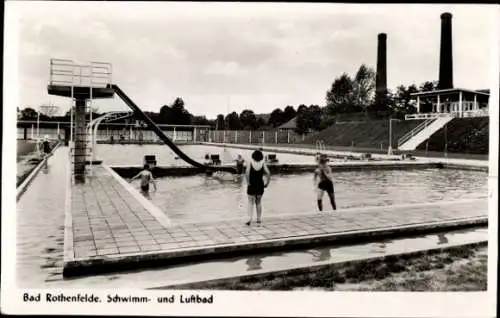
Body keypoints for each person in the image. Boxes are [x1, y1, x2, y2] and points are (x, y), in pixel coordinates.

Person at [245, 150, 270, 226]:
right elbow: (268, 173)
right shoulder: (263, 163)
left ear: (253, 156)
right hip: (260, 185)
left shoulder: (250, 163)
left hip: (252, 184)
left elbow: (247, 173)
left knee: (250, 202)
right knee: (258, 202)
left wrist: (248, 182)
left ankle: (249, 219)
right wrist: (267, 183)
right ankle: (258, 219)